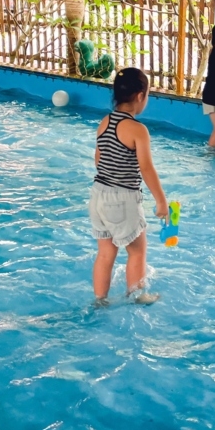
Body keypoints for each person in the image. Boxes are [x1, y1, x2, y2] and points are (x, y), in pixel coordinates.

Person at [90, 68, 168, 305]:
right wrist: (161, 201)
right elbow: (146, 168)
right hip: (123, 199)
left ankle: (100, 300)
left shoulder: (105, 122)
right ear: (140, 96)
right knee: (136, 251)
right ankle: (139, 297)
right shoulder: (137, 129)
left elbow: (98, 158)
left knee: (105, 253)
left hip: (98, 196)